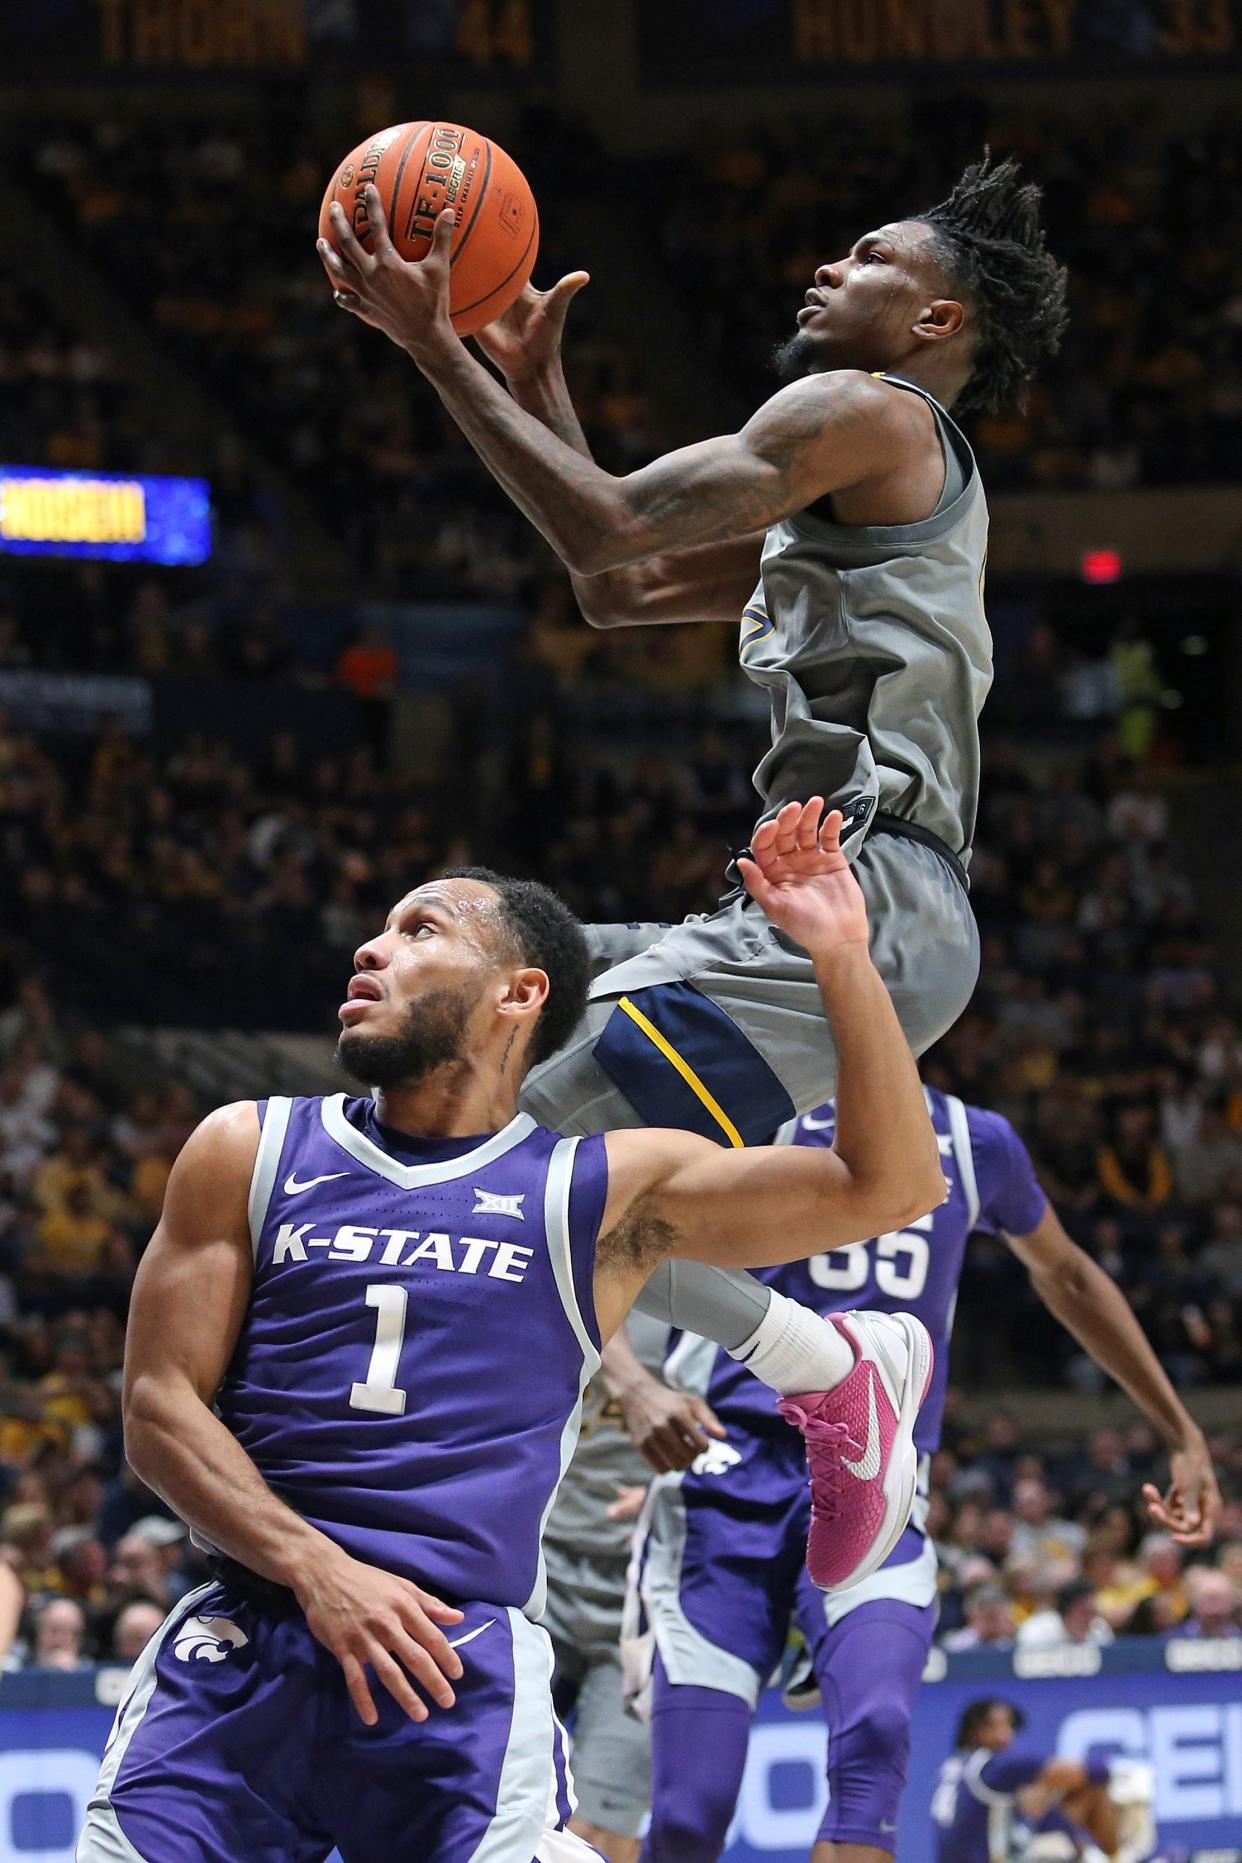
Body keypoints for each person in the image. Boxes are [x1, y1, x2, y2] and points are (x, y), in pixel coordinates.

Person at [317, 152, 1068, 1428]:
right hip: (839, 900)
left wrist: (435, 346)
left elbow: (605, 526)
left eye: (874, 257)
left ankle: (819, 1376)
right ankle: (831, 1372)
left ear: (937, 322)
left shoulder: (868, 410)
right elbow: (615, 588)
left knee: (490, 1142)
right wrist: (535, 383)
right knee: (491, 994)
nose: (832, 267)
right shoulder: (865, 493)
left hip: (867, 898)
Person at [77, 802, 945, 1863]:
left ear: (519, 993)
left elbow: (890, 1186)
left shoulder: (600, 1191)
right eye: (382, 929)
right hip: (241, 1643)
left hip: (457, 1663)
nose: (372, 946)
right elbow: (157, 1410)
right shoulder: (247, 1148)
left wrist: (844, 956)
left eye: (421, 929)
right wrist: (317, 1569)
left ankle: (824, 1363)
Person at [621, 1094, 1218, 1863]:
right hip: (723, 1474)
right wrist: (631, 1381)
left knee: (876, 1732)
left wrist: (1181, 1427)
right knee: (688, 1813)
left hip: (880, 1471)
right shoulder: (742, 1103)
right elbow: (593, 1234)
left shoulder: (975, 1142)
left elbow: (1068, 1274)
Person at [930, 1697, 1133, 1862]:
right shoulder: (995, 1765)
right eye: (995, 1726)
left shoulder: (955, 1764)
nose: (1005, 1735)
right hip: (992, 1856)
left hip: (971, 1851)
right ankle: (1116, 1857)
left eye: (1008, 1725)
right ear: (974, 1731)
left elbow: (1022, 1808)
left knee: (1054, 1814)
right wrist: (1118, 1769)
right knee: (1092, 1790)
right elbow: (1092, 1771)